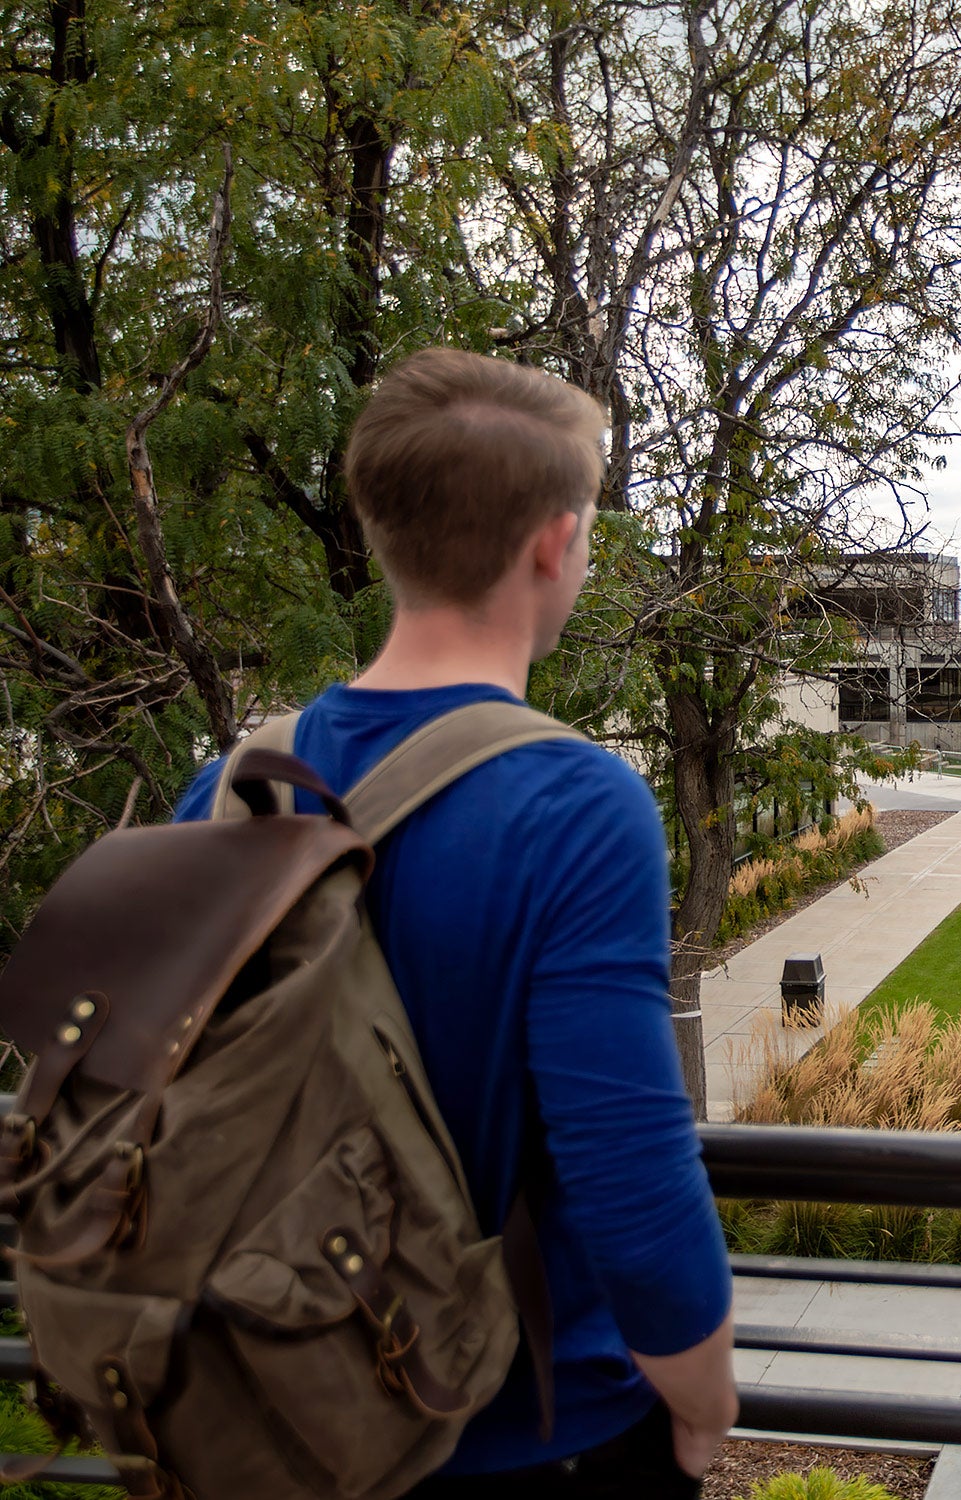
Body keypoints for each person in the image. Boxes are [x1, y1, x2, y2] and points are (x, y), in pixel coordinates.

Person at [174, 350, 737, 1497]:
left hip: (276, 1415)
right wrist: (704, 1401)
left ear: (383, 529)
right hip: (523, 1427)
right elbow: (629, 1169)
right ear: (552, 544)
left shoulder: (234, 784)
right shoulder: (576, 805)